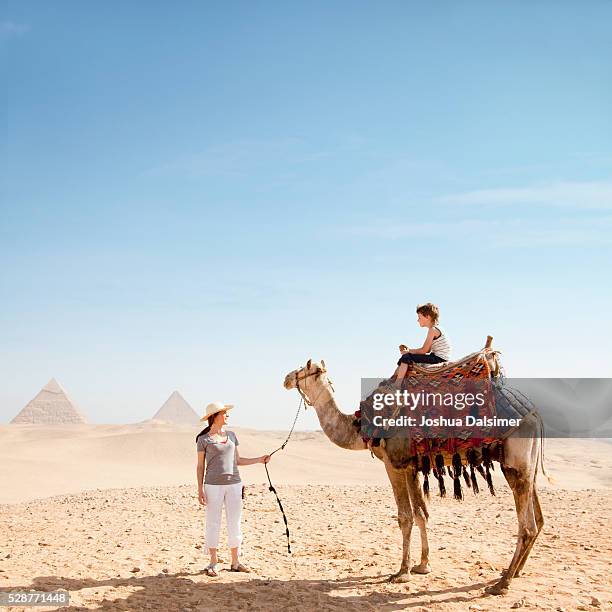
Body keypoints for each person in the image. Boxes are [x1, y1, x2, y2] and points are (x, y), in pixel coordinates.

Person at [196, 401, 271, 577]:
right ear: (215, 417)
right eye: (224, 413)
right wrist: (199, 489)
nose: (227, 415)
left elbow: (237, 460)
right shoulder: (203, 439)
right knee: (213, 522)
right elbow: (200, 466)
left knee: (234, 522)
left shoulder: (232, 436)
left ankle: (235, 562)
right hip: (212, 485)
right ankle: (213, 562)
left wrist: (259, 459)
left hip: (234, 484)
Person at [394, 303, 452, 379]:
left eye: (419, 317)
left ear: (427, 317)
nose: (418, 320)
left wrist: (409, 351)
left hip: (438, 359)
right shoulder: (436, 329)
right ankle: (394, 378)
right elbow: (427, 350)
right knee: (407, 357)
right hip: (436, 357)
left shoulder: (433, 330)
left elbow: (424, 350)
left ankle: (397, 383)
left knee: (406, 357)